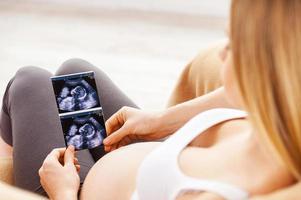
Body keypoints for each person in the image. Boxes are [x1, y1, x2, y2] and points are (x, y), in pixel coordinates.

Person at [1, 0, 301, 199]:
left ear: (268, 70)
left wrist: (63, 192)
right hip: (143, 157)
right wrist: (159, 120)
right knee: (74, 73)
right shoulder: (279, 116)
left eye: (234, 46)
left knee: (30, 82)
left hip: (76, 189)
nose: (221, 52)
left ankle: (12, 169)